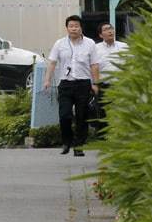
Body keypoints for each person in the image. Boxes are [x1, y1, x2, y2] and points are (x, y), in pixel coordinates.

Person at [42, 15, 100, 156]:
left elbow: (94, 65)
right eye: (71, 26)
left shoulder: (90, 43)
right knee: (64, 115)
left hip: (83, 84)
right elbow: (52, 63)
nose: (74, 28)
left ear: (81, 28)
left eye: (76, 26)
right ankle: (67, 142)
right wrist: (47, 80)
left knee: (82, 116)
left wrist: (96, 83)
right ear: (67, 28)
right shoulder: (60, 44)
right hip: (66, 84)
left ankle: (79, 146)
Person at [92, 23, 128, 134]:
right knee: (102, 112)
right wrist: (94, 84)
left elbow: (131, 64)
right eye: (106, 29)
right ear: (100, 35)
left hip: (121, 85)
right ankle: (103, 138)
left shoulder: (124, 46)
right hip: (103, 85)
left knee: (122, 111)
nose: (110, 31)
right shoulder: (95, 49)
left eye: (111, 28)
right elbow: (92, 66)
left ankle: (121, 136)